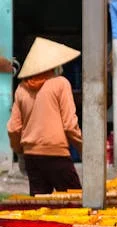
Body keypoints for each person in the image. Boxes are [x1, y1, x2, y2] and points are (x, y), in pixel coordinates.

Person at [7, 37, 83, 196]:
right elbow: (70, 125)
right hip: (57, 154)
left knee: (39, 205)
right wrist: (84, 149)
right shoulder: (61, 84)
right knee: (75, 201)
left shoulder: (21, 89)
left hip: (31, 157)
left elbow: (13, 128)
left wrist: (20, 152)